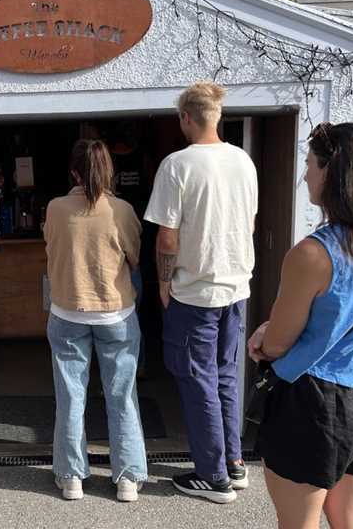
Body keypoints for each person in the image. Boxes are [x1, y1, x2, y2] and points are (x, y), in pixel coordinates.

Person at [247, 122, 353, 529]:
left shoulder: (313, 253)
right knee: (352, 519)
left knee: (298, 522)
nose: (305, 174)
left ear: (333, 172)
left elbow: (279, 343)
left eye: (310, 164)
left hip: (316, 404)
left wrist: (261, 337)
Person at [144, 81, 258, 503]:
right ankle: (233, 462)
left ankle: (213, 477)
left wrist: (162, 283)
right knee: (225, 375)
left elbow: (167, 239)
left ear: (186, 118)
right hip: (236, 285)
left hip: (195, 291)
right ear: (218, 116)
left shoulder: (178, 165)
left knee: (197, 379)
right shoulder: (243, 161)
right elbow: (247, 224)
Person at [44, 139, 147, 502]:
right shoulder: (121, 209)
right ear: (110, 172)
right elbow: (134, 257)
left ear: (73, 172)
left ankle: (72, 476)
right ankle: (128, 478)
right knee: (122, 395)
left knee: (70, 396)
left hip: (67, 311)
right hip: (115, 310)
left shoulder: (56, 208)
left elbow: (51, 249)